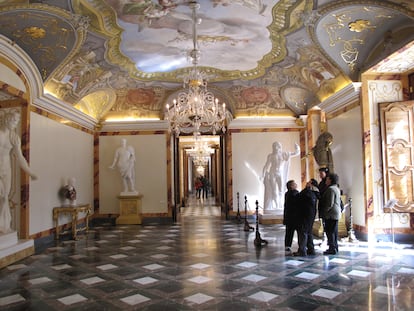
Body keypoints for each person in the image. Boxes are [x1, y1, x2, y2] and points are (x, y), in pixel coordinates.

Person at [0, 109, 37, 234]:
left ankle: (4, 226)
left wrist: (30, 172)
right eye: (14, 120)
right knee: (1, 196)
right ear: (7, 119)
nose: (15, 123)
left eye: (17, 121)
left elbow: (20, 158)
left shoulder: (14, 138)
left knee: (5, 197)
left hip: (6, 169)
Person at [262, 141, 300, 212]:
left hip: (280, 173)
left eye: (277, 146)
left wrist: (297, 148)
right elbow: (266, 166)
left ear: (279, 147)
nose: (275, 148)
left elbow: (295, 154)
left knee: (281, 190)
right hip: (272, 173)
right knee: (274, 190)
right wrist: (263, 175)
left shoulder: (284, 154)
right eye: (274, 146)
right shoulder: (271, 156)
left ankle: (280, 205)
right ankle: (276, 205)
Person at [294, 179, 320, 256]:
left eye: (308, 182)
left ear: (311, 185)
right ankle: (311, 249)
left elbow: (298, 200)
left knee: (303, 232)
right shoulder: (315, 193)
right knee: (309, 232)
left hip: (304, 215)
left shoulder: (307, 193)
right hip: (311, 215)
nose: (306, 183)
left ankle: (302, 250)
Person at [319, 173, 342, 255]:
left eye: (328, 179)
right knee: (334, 231)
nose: (326, 180)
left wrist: (324, 212)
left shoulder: (331, 189)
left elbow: (329, 203)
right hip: (335, 213)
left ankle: (332, 248)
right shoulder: (336, 188)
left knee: (330, 231)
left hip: (330, 214)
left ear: (331, 180)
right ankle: (335, 247)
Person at [283, 180, 299, 253]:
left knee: (288, 232)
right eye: (294, 184)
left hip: (288, 216)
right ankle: (301, 245)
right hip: (294, 216)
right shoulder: (295, 193)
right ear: (291, 186)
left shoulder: (287, 194)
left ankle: (287, 245)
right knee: (297, 232)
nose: (296, 184)